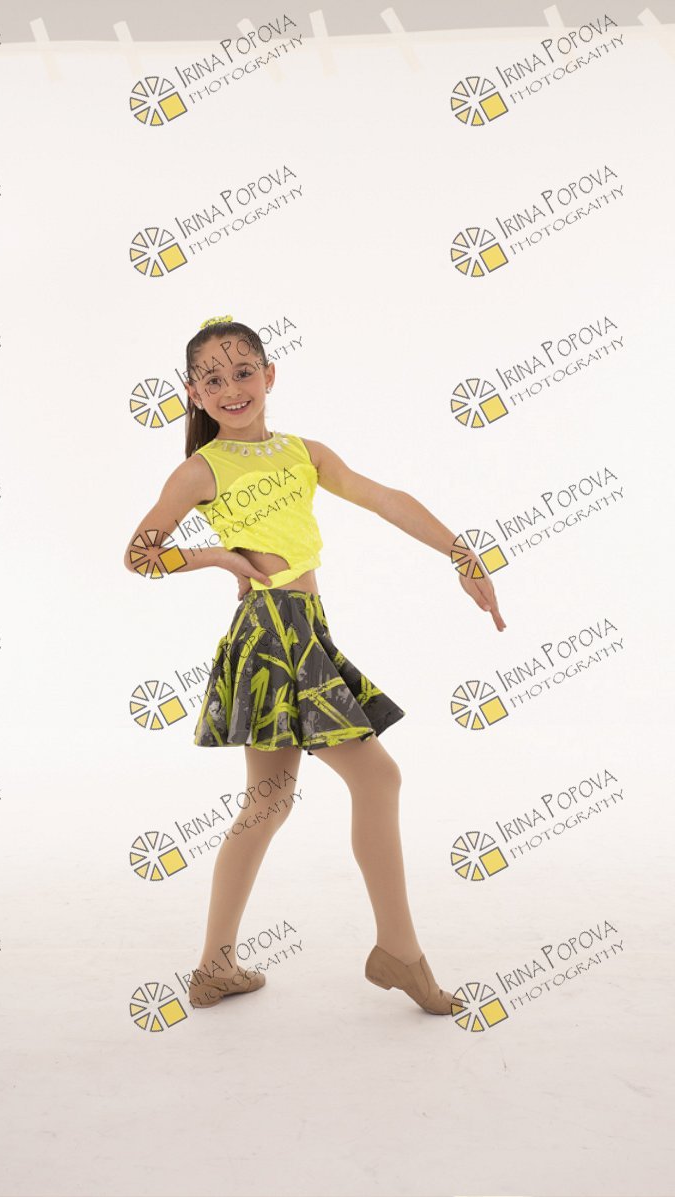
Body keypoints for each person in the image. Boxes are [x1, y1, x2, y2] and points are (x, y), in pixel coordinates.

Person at [123, 315, 506, 1017]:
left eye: (244, 372)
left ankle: (214, 967)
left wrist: (461, 552)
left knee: (268, 801)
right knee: (376, 777)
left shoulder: (305, 453)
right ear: (194, 393)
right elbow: (139, 552)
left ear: (270, 375)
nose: (232, 388)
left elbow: (384, 498)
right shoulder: (201, 469)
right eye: (213, 379)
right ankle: (399, 953)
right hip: (272, 634)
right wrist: (222, 558)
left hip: (301, 628)